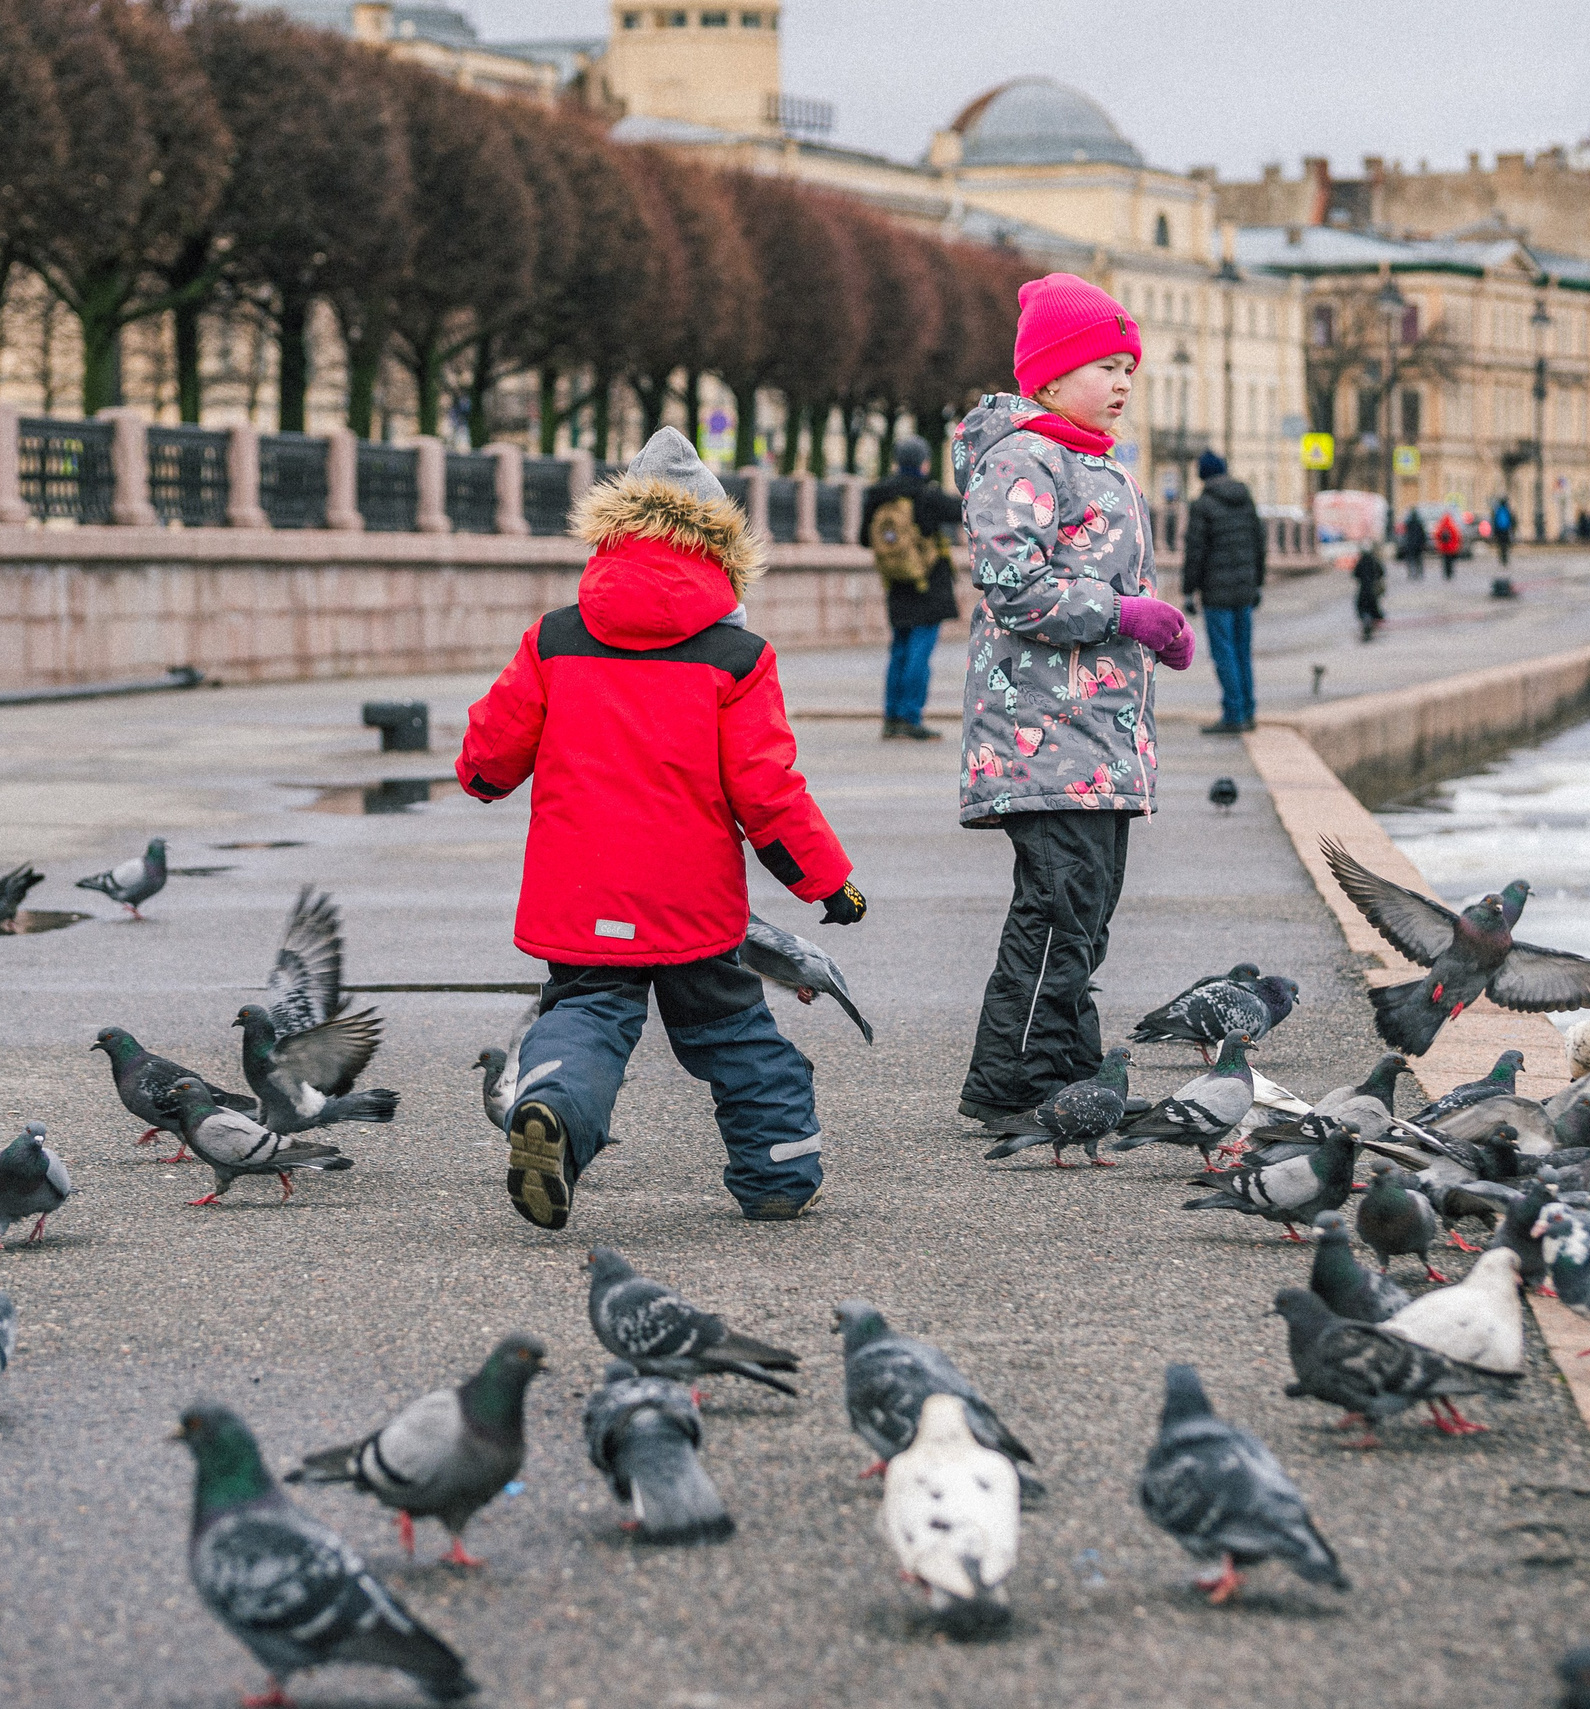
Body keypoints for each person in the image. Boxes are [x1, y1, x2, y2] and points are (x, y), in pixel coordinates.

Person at [457, 426, 862, 1230]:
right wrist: (826, 879)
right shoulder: (736, 655)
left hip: (577, 893)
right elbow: (768, 790)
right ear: (722, 552)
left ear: (609, 537)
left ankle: (554, 1114)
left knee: (583, 1016)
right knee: (735, 1034)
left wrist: (482, 777)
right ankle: (778, 1171)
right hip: (691, 901)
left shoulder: (555, 637)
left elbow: (492, 753)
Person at [952, 272, 1191, 1123]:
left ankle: (1067, 1073)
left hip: (1093, 733)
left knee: (1083, 912)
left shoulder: (1093, 461)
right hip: (1042, 730)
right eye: (1105, 364)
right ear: (1049, 377)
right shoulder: (1023, 458)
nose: (1124, 382)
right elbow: (1012, 584)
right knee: (1057, 910)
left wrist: (1150, 629)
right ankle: (1014, 1083)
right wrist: (1128, 613)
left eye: (1131, 366)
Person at [861, 434, 964, 741]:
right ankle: (910, 715)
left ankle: (891, 716)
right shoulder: (926, 494)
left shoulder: (877, 494)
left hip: (896, 583)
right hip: (927, 582)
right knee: (920, 652)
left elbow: (864, 538)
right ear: (924, 463)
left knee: (899, 649)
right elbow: (962, 512)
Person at [1179, 448, 1266, 735]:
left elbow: (1195, 551)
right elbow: (1259, 542)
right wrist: (1258, 583)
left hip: (1216, 593)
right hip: (1244, 589)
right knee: (1242, 651)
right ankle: (1248, 712)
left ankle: (1233, 714)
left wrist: (1189, 591)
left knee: (1224, 653)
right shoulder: (1245, 498)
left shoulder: (1203, 505)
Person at [1352, 542, 1387, 642]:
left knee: (1362, 608)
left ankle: (1367, 623)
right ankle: (1369, 623)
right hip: (1373, 590)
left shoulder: (1360, 562)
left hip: (1363, 590)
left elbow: (1355, 574)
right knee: (1373, 608)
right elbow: (1382, 573)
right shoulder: (1375, 562)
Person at [1397, 507, 1428, 581]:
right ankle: (1419, 573)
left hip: (1410, 544)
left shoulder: (1408, 523)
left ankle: (1411, 573)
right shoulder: (1420, 522)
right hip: (1418, 544)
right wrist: (1423, 543)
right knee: (1419, 560)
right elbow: (1423, 534)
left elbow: (1404, 534)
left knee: (1410, 560)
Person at [1432, 509, 1462, 580]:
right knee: (1451, 562)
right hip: (1451, 548)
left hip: (1443, 547)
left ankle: (1446, 574)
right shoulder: (1452, 525)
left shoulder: (1441, 525)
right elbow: (1457, 536)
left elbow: (1437, 535)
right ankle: (1450, 573)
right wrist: (1456, 545)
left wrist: (1439, 543)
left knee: (1445, 562)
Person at [1490, 495, 1514, 567]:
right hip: (1506, 531)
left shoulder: (1497, 510)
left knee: (1500, 545)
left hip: (1499, 531)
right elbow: (1512, 521)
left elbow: (1494, 521)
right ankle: (1505, 559)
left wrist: (1494, 531)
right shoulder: (1507, 510)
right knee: (1505, 545)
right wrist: (1512, 529)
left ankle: (1501, 558)